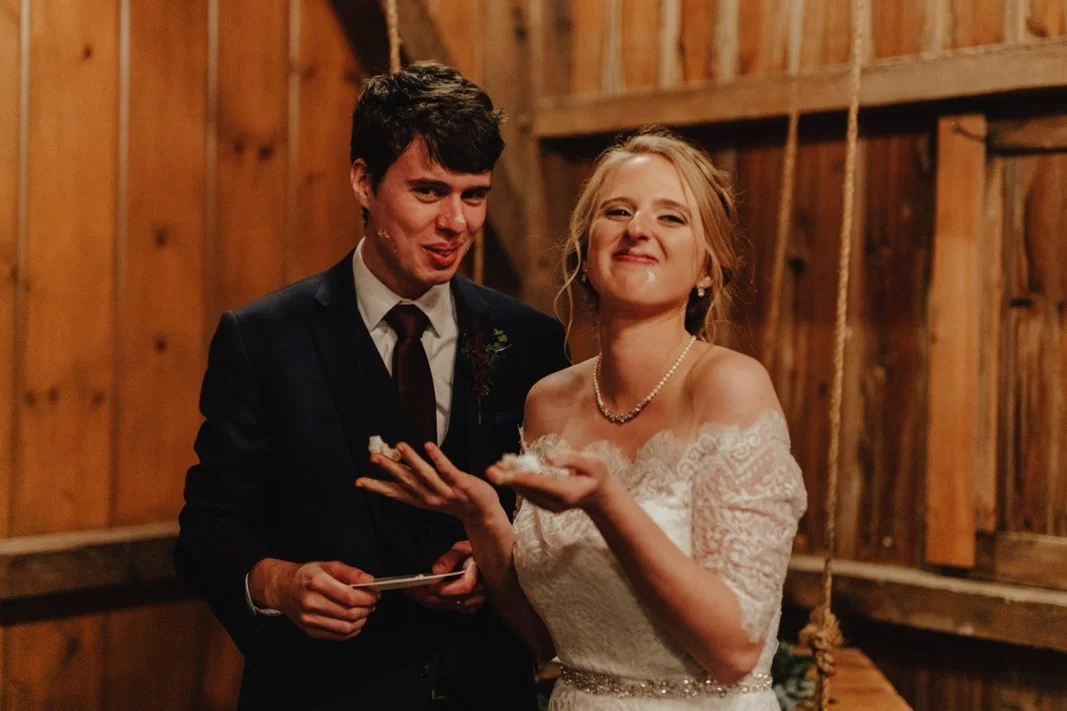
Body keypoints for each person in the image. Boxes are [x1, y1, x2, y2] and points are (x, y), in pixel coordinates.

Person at [357, 129, 808, 710]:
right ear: (585, 255)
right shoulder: (548, 400)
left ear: (707, 269)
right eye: (617, 211)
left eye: (671, 217)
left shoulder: (729, 387)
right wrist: (485, 517)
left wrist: (608, 504)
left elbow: (736, 650)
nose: (638, 228)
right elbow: (546, 640)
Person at [174, 62, 568, 710]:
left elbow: (553, 524)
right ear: (363, 180)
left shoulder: (529, 341)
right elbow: (207, 529)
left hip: (484, 690)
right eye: (428, 191)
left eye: (473, 195)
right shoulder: (263, 338)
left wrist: (497, 562)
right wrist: (278, 582)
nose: (456, 222)